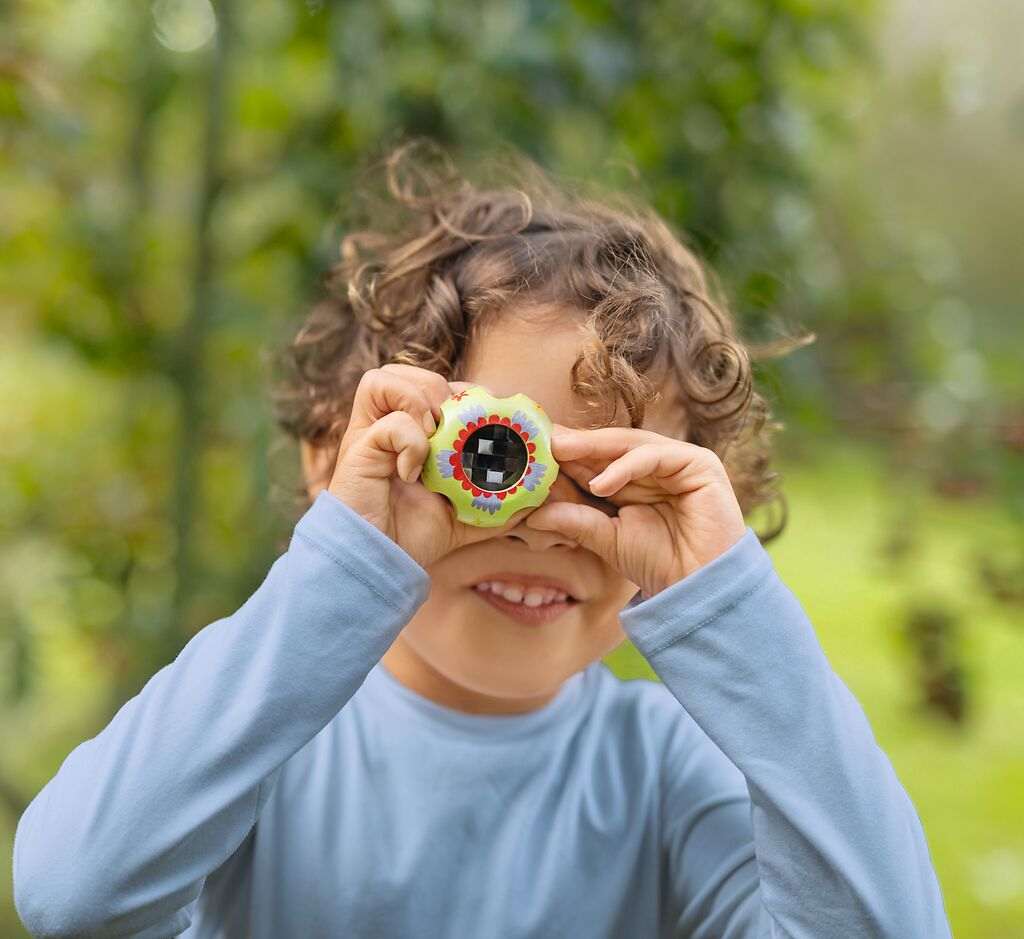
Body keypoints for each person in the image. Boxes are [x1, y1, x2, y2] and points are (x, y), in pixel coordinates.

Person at [13, 139, 953, 938]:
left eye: (614, 486)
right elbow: (73, 893)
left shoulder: (668, 773)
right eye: (494, 458)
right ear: (333, 460)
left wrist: (733, 609)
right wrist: (346, 565)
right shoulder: (251, 742)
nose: (547, 530)